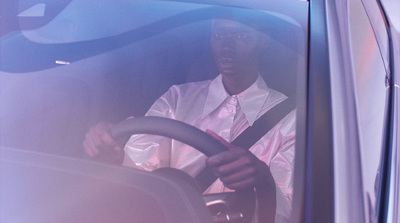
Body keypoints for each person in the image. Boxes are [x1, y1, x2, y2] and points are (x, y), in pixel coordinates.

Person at [83, 9, 295, 223]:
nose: (226, 47)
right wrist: (114, 158)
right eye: (219, 36)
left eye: (242, 37)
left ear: (264, 40)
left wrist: (263, 179)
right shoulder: (177, 99)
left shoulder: (288, 119)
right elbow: (139, 178)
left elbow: (288, 212)